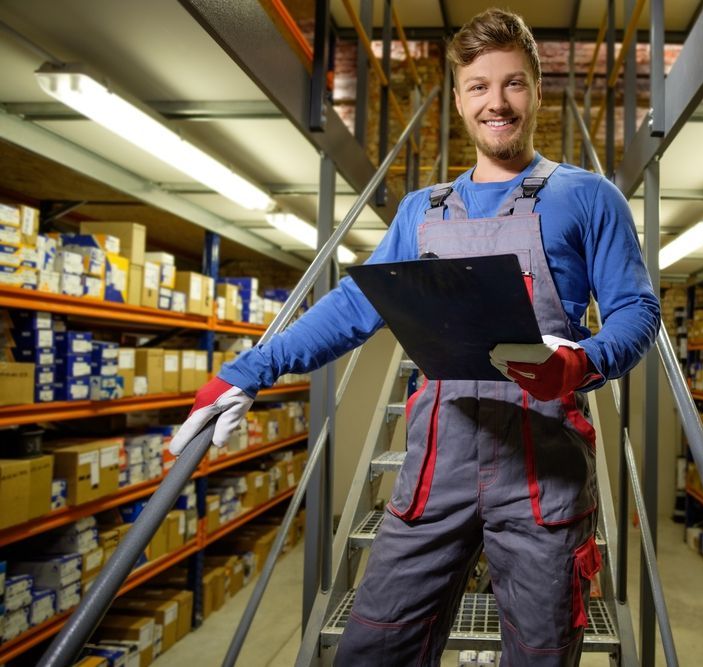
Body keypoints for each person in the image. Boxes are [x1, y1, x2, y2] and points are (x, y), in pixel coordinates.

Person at [168, 8, 659, 666]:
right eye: (479, 86)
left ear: (538, 91)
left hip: (543, 471)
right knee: (374, 648)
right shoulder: (421, 211)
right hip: (436, 466)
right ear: (458, 99)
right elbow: (353, 304)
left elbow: (635, 309)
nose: (497, 102)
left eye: (514, 84)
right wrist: (248, 370)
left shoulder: (586, 196)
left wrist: (581, 362)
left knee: (543, 652)